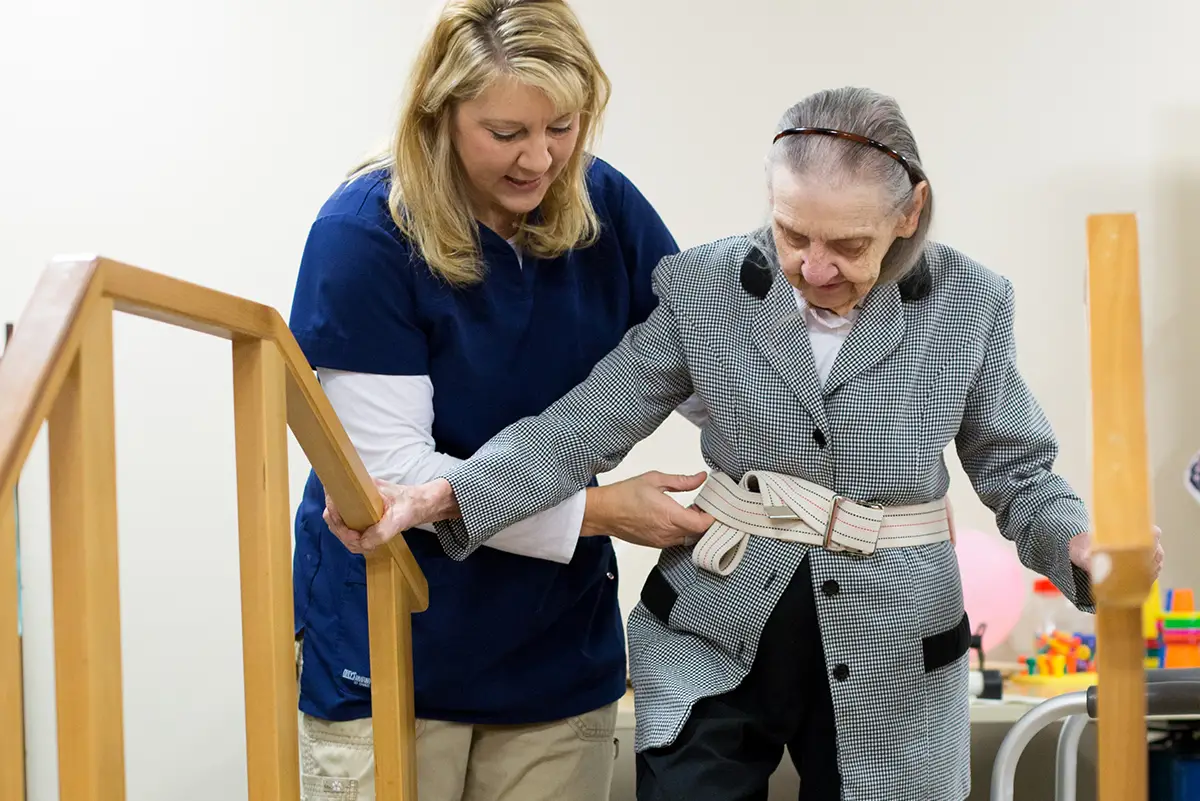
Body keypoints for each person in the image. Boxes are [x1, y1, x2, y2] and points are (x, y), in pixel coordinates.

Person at [324, 85, 1166, 801]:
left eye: (850, 244)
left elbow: (1019, 472)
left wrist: (1081, 548)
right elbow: (574, 428)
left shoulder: (970, 304)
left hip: (895, 648)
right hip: (715, 629)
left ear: (910, 212)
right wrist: (446, 494)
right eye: (792, 233)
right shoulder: (706, 287)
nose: (815, 267)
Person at [286, 2, 715, 799]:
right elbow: (393, 478)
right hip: (394, 644)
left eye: (563, 126)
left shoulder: (604, 205)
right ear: (439, 114)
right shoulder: (366, 234)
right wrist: (602, 512)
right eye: (506, 133)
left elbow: (709, 366)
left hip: (553, 653)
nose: (540, 158)